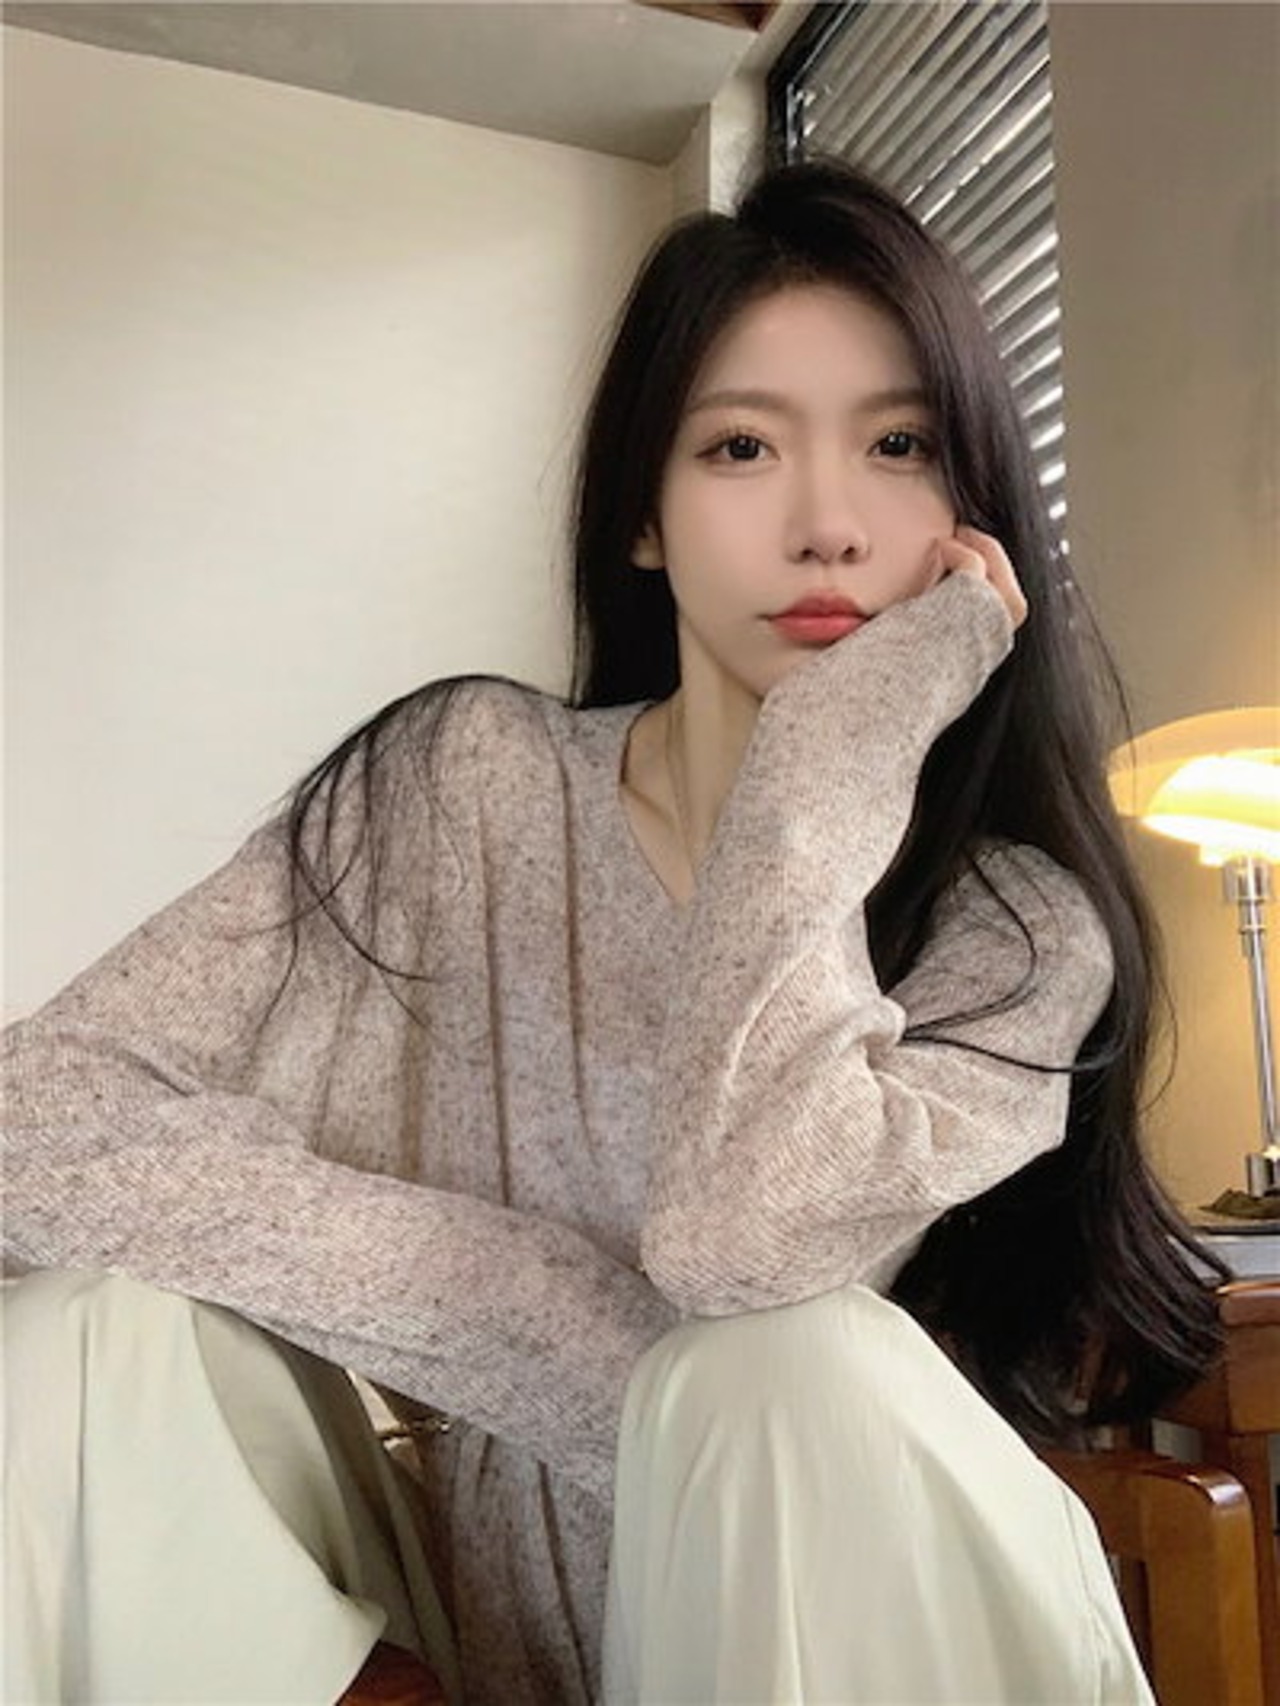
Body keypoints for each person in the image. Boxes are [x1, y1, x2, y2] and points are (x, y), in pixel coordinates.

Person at [4, 157, 1225, 1705]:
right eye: (740, 447)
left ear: (969, 515)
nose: (827, 524)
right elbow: (28, 1119)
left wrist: (817, 780)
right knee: (95, 1331)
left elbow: (737, 1246)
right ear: (644, 518)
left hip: (858, 1620)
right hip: (504, 1621)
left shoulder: (1019, 930)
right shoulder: (467, 786)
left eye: (900, 445)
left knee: (782, 1352)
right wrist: (521, 1294)